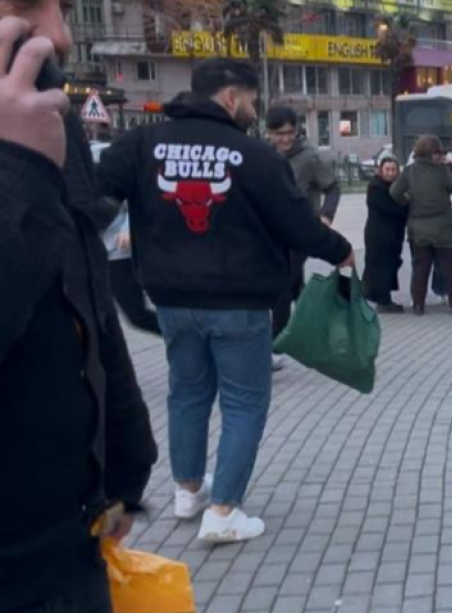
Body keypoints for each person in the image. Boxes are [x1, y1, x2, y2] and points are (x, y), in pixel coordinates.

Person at [98, 58, 354, 543]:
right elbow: (296, 222)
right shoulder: (253, 155)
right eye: (252, 102)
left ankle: (188, 490)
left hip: (171, 297)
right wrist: (339, 250)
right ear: (231, 97)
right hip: (239, 301)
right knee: (244, 402)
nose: (254, 112)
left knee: (187, 393)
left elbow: (94, 194)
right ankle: (223, 512)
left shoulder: (141, 144)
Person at [1, 15, 158, 613]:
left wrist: (126, 458)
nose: (61, 34)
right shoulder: (20, 141)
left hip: (72, 552)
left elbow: (80, 286)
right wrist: (13, 170)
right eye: (28, 3)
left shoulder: (39, 121)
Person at [265, 106, 341, 368]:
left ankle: (275, 347)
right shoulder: (261, 154)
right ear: (268, 132)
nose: (286, 138)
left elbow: (333, 187)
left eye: (290, 132)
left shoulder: (309, 157)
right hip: (271, 232)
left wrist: (325, 216)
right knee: (295, 286)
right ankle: (319, 333)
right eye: (279, 133)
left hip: (300, 231)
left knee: (283, 286)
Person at [391, 134, 452, 316]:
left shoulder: (409, 171)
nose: (441, 155)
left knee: (420, 268)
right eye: (439, 152)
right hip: (443, 228)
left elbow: (394, 192)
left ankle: (418, 305)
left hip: (418, 228)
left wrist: (407, 202)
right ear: (433, 153)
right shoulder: (441, 171)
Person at [103, 209, 162, 334]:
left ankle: (189, 338)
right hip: (89, 258)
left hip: (120, 251)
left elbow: (136, 202)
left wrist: (128, 228)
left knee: (138, 316)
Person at [364, 156, 409, 313]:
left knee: (388, 265)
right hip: (379, 234)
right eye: (387, 170)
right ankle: (382, 301)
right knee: (381, 267)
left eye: (393, 170)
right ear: (380, 170)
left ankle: (383, 297)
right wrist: (407, 208)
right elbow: (390, 209)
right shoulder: (376, 187)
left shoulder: (394, 186)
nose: (390, 173)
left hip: (390, 234)